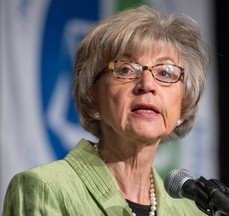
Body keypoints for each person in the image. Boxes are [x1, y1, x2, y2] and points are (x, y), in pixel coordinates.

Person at [3, 4, 208, 216]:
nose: (147, 84)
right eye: (126, 69)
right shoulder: (45, 189)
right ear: (92, 99)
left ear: (183, 107)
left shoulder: (191, 213)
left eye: (165, 73)